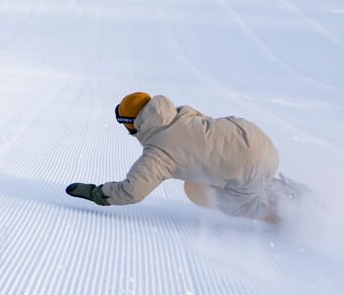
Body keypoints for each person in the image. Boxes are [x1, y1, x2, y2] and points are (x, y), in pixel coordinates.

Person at [66, 92, 298, 224]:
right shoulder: (182, 112)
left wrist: (95, 193)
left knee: (196, 190)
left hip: (245, 168)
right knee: (244, 174)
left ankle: (285, 219)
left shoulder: (158, 153)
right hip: (259, 141)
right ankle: (296, 193)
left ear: (132, 124)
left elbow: (132, 191)